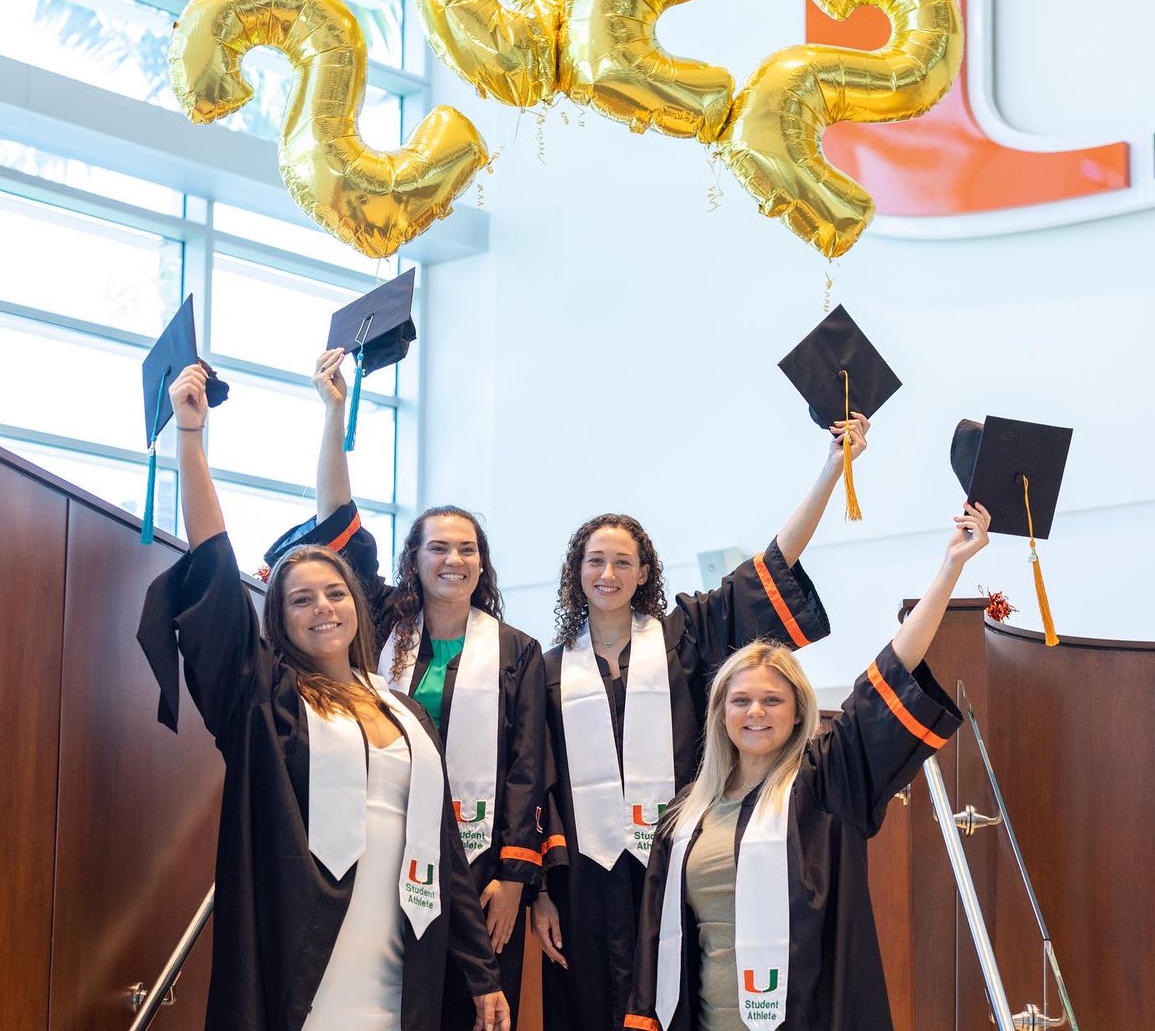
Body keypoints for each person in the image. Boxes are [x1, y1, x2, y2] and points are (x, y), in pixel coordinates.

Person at [137, 363, 510, 1031]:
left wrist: (481, 974)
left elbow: (446, 853)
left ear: (358, 607)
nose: (324, 607)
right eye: (301, 599)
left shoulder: (404, 711)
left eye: (336, 593)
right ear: (278, 620)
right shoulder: (266, 700)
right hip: (304, 967)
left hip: (403, 963)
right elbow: (215, 575)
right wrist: (191, 440)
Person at [533, 416, 871, 1031]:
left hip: (673, 865)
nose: (608, 574)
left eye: (623, 562)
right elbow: (542, 784)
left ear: (644, 573)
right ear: (576, 572)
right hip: (583, 884)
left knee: (673, 1000)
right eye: (595, 561)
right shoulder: (547, 669)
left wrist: (830, 469)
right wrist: (541, 892)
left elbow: (770, 568)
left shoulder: (684, 636)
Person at [263, 348, 546, 1030]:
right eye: (438, 548)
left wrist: (513, 878)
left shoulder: (517, 651)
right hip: (379, 851)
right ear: (412, 560)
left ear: (483, 564)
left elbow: (526, 770)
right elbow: (338, 524)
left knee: (478, 1008)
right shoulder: (382, 624)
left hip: (479, 866)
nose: (454, 559)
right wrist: (334, 417)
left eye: (468, 549)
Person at [625, 502, 990, 1031]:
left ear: (798, 711)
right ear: (720, 713)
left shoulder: (823, 783)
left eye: (772, 700)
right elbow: (660, 947)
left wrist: (950, 567)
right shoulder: (685, 816)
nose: (755, 712)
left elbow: (891, 671)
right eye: (741, 700)